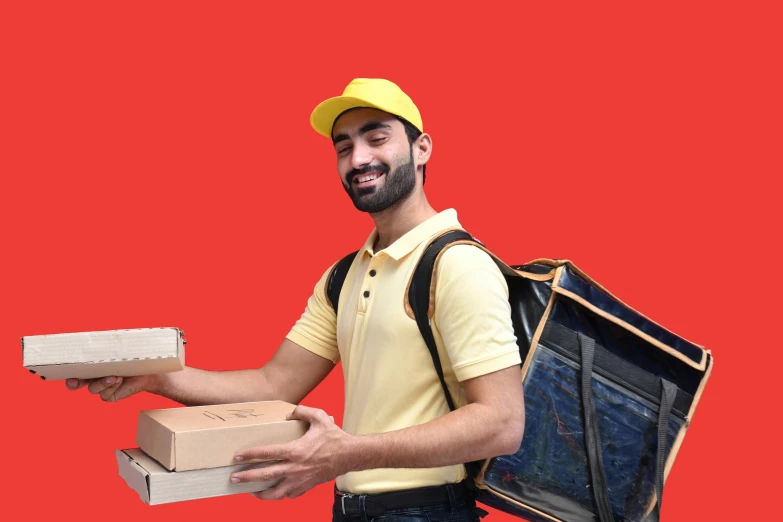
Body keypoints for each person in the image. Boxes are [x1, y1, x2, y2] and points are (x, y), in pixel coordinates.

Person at [66, 78, 525, 521]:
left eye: (377, 138)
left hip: (428, 511)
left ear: (422, 148)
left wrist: (347, 453)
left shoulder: (457, 264)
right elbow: (273, 386)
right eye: (343, 148)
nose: (358, 158)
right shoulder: (344, 275)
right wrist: (155, 377)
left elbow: (502, 423)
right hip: (351, 509)